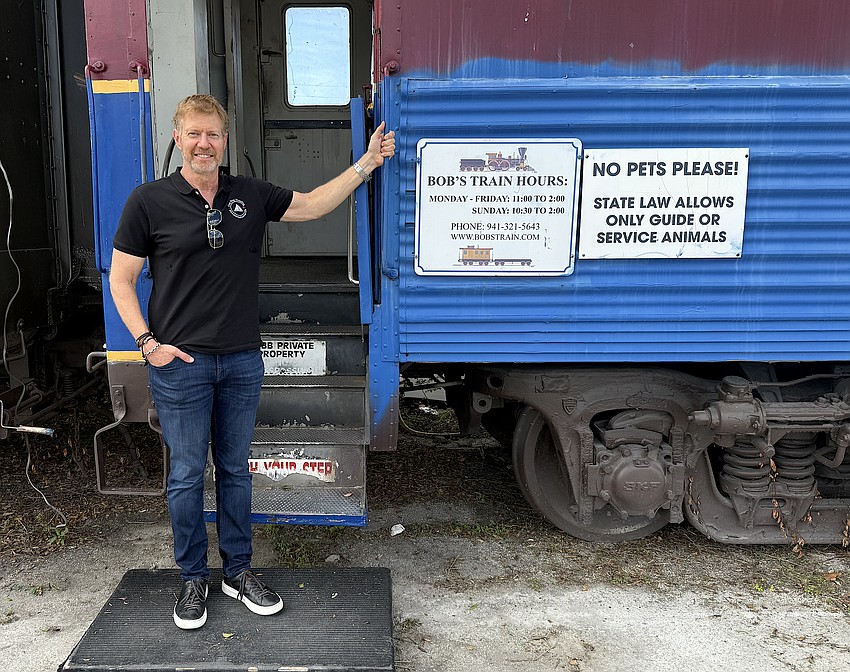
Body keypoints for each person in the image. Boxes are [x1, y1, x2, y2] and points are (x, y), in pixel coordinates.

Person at [110, 94, 395, 630]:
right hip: (179, 364)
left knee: (237, 471)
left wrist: (366, 164)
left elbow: (310, 204)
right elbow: (120, 280)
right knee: (189, 474)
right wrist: (148, 344)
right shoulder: (148, 201)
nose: (203, 143)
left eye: (212, 134)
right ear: (177, 139)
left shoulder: (250, 195)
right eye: (193, 134)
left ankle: (236, 572)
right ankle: (192, 578)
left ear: (224, 138)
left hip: (241, 359)